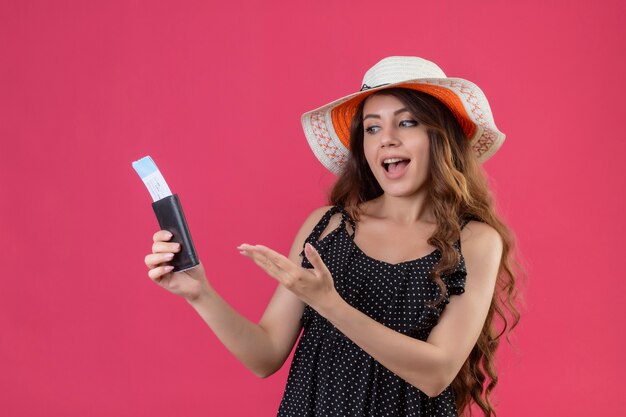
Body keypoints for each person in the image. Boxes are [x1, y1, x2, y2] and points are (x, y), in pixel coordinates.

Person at [144, 56, 522, 417]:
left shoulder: (474, 240)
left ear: (442, 137)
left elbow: (437, 373)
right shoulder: (325, 227)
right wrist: (199, 293)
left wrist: (330, 304)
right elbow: (265, 355)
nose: (385, 139)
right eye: (372, 128)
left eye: (406, 123)